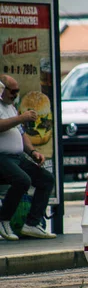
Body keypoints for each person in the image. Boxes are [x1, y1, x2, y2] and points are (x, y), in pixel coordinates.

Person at [0, 74, 56, 240]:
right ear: (2, 89)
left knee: (46, 179)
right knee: (22, 180)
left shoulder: (11, 106)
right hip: (2, 157)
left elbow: (22, 134)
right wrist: (21, 118)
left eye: (18, 91)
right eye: (13, 91)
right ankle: (3, 220)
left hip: (18, 157)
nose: (15, 94)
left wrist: (32, 152)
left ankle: (32, 223)